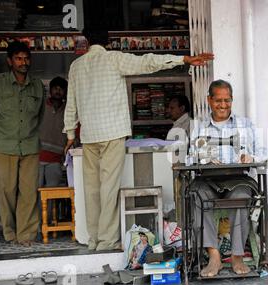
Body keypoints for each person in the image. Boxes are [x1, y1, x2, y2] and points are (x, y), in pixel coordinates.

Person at [63, 27, 214, 251]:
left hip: (89, 136)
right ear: (108, 41)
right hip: (112, 133)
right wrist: (182, 58)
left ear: (86, 40)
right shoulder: (114, 59)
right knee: (109, 189)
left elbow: (71, 104)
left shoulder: (76, 66)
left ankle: (93, 240)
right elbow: (148, 62)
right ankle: (106, 242)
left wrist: (69, 134)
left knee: (91, 189)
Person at [189, 80, 267, 277]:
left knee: (240, 197)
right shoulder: (199, 127)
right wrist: (202, 157)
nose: (223, 105)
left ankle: (237, 255)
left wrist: (251, 158)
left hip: (237, 178)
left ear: (232, 100)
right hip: (207, 179)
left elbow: (263, 153)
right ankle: (214, 255)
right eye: (218, 101)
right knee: (198, 195)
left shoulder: (245, 125)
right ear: (209, 100)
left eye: (227, 100)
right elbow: (188, 158)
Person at [0, 41, 45, 247]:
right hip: (3, 144)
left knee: (28, 191)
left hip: (30, 145)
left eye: (26, 58)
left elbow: (40, 115)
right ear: (9, 61)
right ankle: (9, 232)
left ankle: (25, 234)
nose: (23, 62)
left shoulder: (37, 85)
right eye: (18, 58)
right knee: (5, 191)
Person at [39, 76, 68, 189]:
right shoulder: (41, 106)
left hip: (56, 159)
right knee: (35, 191)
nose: (58, 91)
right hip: (37, 156)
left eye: (61, 89)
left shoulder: (68, 110)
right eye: (55, 88)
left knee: (52, 193)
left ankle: (50, 208)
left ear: (65, 92)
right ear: (50, 90)